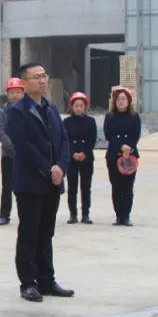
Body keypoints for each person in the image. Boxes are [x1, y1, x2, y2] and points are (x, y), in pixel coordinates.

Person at [5, 63, 74, 304]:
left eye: (44, 76)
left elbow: (63, 139)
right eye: (36, 77)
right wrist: (48, 169)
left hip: (53, 182)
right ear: (24, 83)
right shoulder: (16, 112)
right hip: (30, 183)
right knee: (29, 233)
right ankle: (28, 283)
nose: (42, 80)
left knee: (46, 233)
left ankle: (47, 280)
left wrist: (61, 167)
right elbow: (23, 146)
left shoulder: (52, 109)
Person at [103, 88, 142, 227]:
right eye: (118, 99)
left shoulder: (134, 117)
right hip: (114, 155)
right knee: (116, 186)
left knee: (128, 187)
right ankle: (118, 216)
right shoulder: (110, 117)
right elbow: (108, 134)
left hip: (130, 156)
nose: (121, 101)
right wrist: (120, 146)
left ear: (128, 101)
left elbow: (136, 134)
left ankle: (126, 216)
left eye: (123, 99)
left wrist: (128, 147)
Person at [64, 91, 97, 225]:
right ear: (72, 107)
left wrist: (85, 153)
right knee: (72, 187)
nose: (78, 108)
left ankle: (85, 214)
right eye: (76, 106)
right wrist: (72, 153)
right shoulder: (67, 122)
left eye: (81, 106)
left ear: (85, 107)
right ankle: (73, 214)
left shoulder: (90, 121)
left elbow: (92, 139)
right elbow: (65, 139)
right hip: (71, 159)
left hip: (86, 158)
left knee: (86, 187)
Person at [0, 77, 25, 226]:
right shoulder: (3, 112)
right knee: (7, 186)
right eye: (12, 92)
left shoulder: (27, 111)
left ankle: (25, 215)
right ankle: (4, 215)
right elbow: (1, 133)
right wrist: (13, 147)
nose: (15, 95)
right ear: (8, 94)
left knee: (24, 186)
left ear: (22, 93)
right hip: (8, 155)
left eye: (18, 92)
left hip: (25, 156)